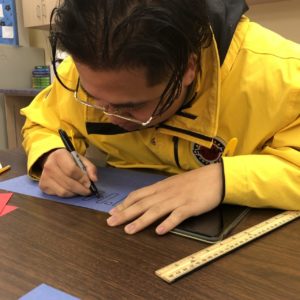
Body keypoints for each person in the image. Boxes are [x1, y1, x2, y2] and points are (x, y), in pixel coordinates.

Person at [21, 0, 300, 235]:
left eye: (130, 106)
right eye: (93, 99)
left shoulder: (284, 76)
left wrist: (224, 179)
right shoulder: (87, 69)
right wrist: (50, 153)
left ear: (188, 67)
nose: (108, 115)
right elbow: (43, 121)